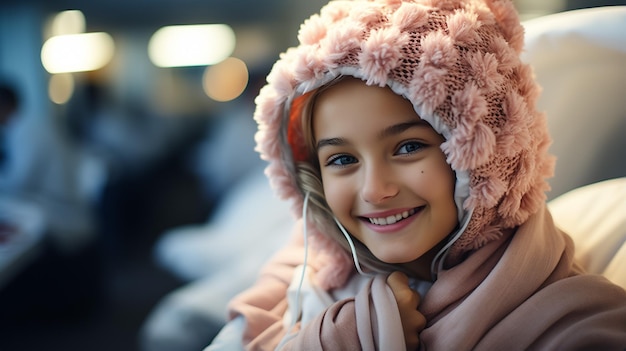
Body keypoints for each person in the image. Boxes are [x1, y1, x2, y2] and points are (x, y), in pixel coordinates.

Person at [209, 0, 626, 350]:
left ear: (488, 152)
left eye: (409, 147)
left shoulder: (578, 325)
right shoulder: (309, 268)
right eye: (341, 160)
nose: (375, 190)